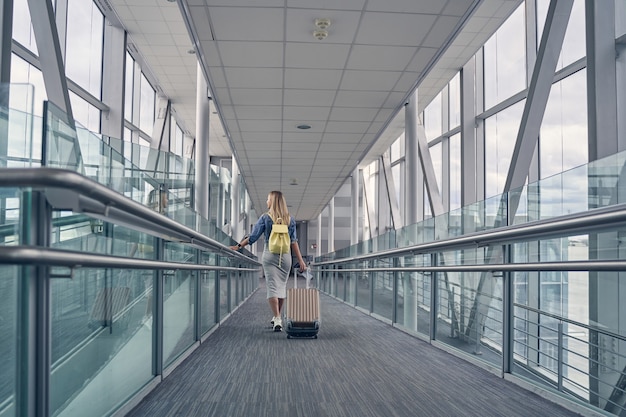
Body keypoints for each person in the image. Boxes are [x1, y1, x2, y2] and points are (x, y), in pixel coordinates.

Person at [231, 190, 306, 331]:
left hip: (270, 254)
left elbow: (253, 237)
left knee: (272, 286)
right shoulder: (290, 219)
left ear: (272, 201)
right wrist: (301, 260)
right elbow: (294, 241)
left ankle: (277, 317)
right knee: (281, 287)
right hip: (285, 256)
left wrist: (238, 246)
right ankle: (278, 316)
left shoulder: (265, 217)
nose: (266, 202)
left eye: (268, 199)